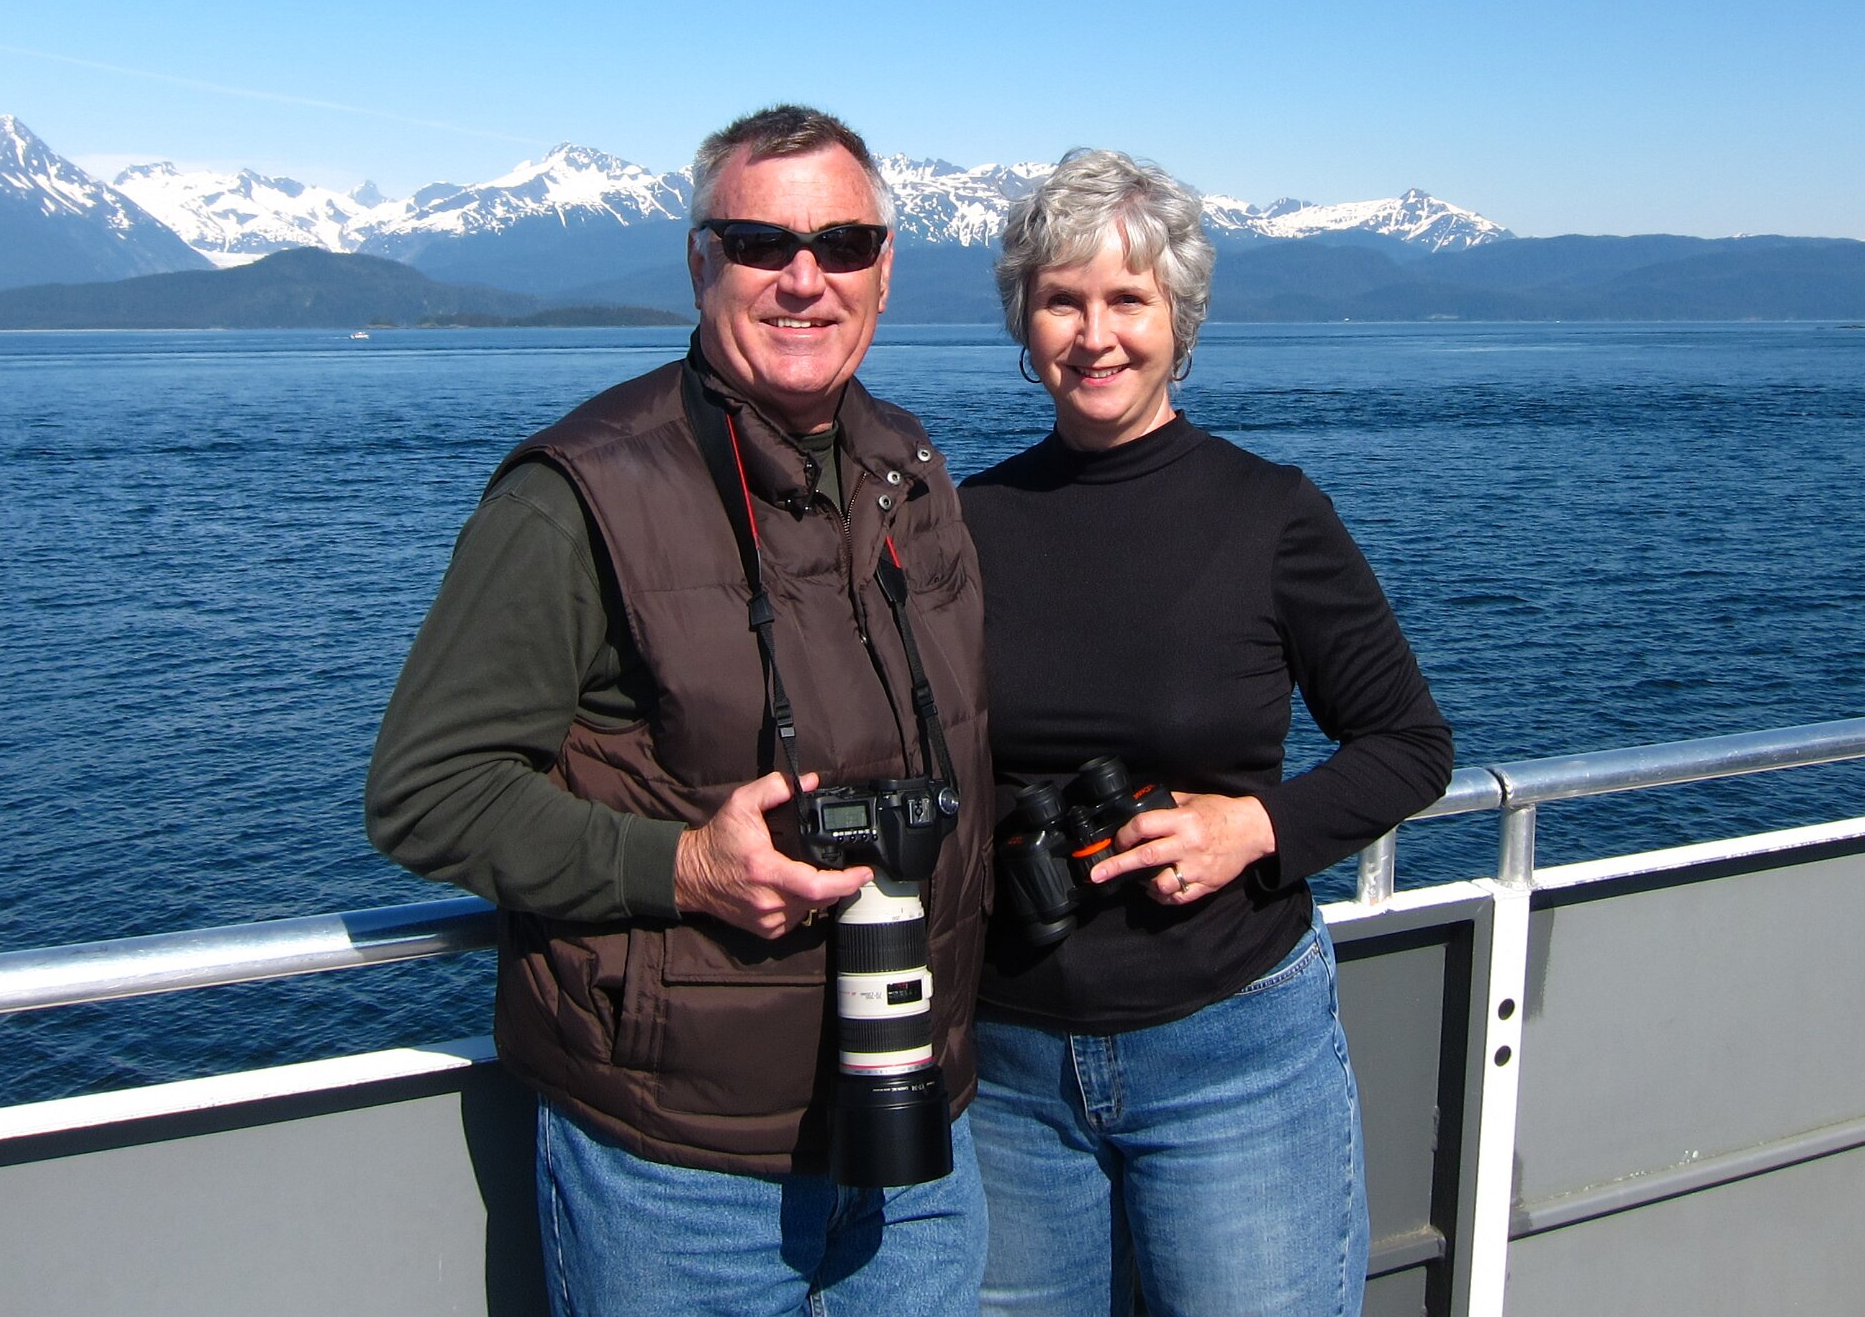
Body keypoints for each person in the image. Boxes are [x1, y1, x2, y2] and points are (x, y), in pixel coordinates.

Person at [364, 105, 992, 1317]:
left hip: (919, 1131)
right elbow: (425, 791)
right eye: (760, 243)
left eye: (844, 244)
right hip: (679, 1177)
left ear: (886, 270)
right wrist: (686, 866)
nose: (805, 279)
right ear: (701, 262)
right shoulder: (578, 493)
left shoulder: (909, 468)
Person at [960, 149, 1453, 1317]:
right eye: (1062, 300)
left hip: (1233, 1054)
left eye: (1127, 299)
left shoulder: (1268, 513)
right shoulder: (965, 523)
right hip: (1008, 1065)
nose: (1095, 335)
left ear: (1179, 321)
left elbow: (1408, 743)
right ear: (1024, 321)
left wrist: (1253, 828)